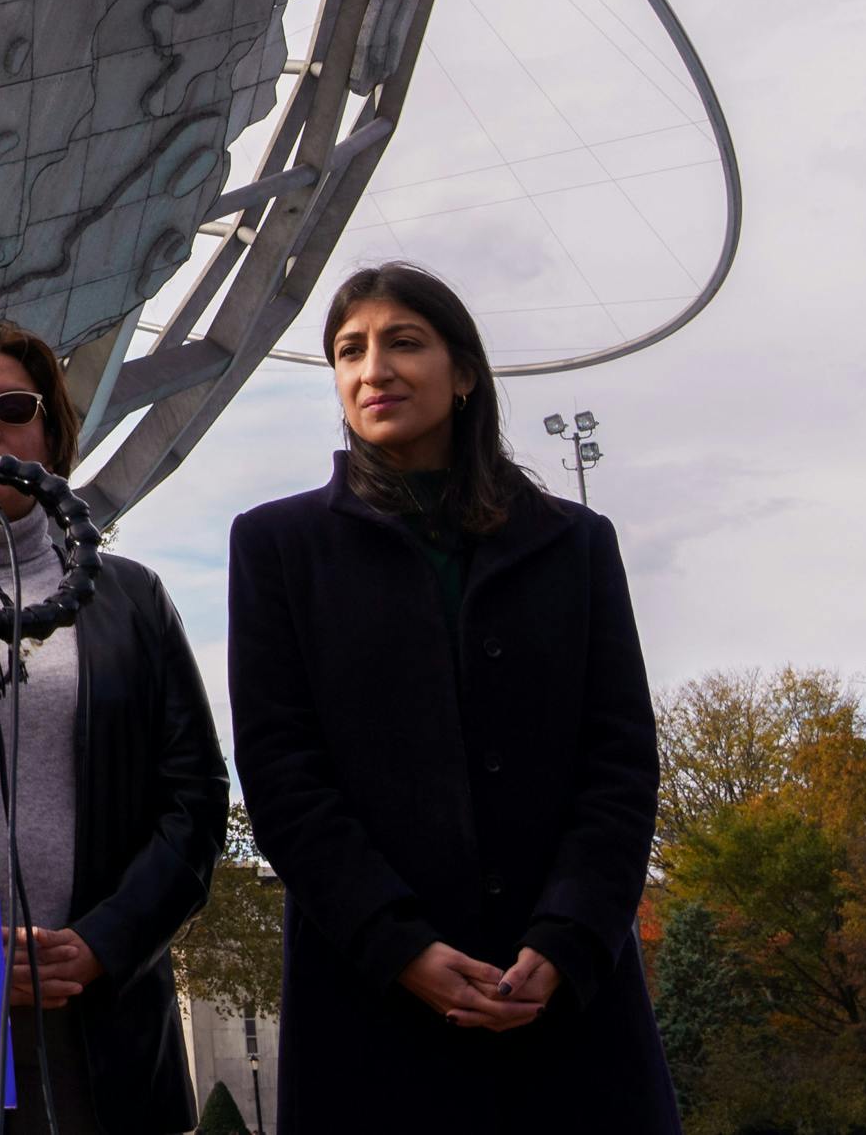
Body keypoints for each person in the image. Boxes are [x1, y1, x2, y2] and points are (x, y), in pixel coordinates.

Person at [226, 263, 675, 1134]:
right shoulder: (278, 546)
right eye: (349, 351)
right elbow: (282, 775)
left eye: (404, 342)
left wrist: (569, 936)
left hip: (567, 1011)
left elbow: (619, 759)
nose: (373, 369)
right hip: (373, 1011)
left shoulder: (576, 544)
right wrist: (400, 946)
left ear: (464, 372)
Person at [0, 320, 229, 1135]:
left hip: (90, 1023)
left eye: (13, 406)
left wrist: (106, 941)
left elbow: (194, 800)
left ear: (52, 440)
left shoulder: (131, 598)